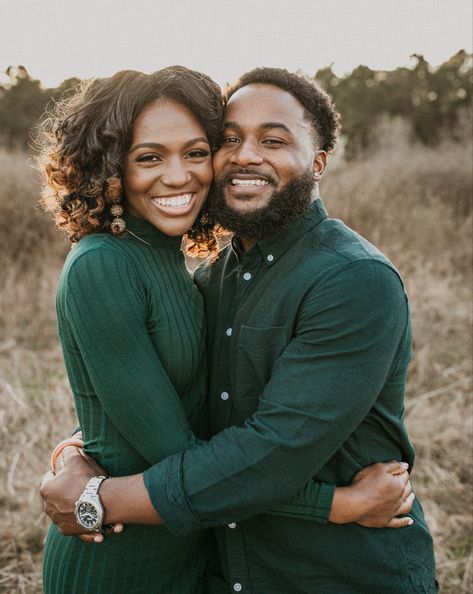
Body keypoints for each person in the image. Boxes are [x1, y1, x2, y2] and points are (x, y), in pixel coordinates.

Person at [40, 67, 425, 593]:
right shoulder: (214, 276)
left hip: (332, 572)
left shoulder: (353, 280)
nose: (245, 155)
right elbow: (179, 418)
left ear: (317, 163)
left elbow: (270, 453)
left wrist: (97, 498)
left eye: (273, 140)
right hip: (210, 566)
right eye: (230, 140)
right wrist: (78, 448)